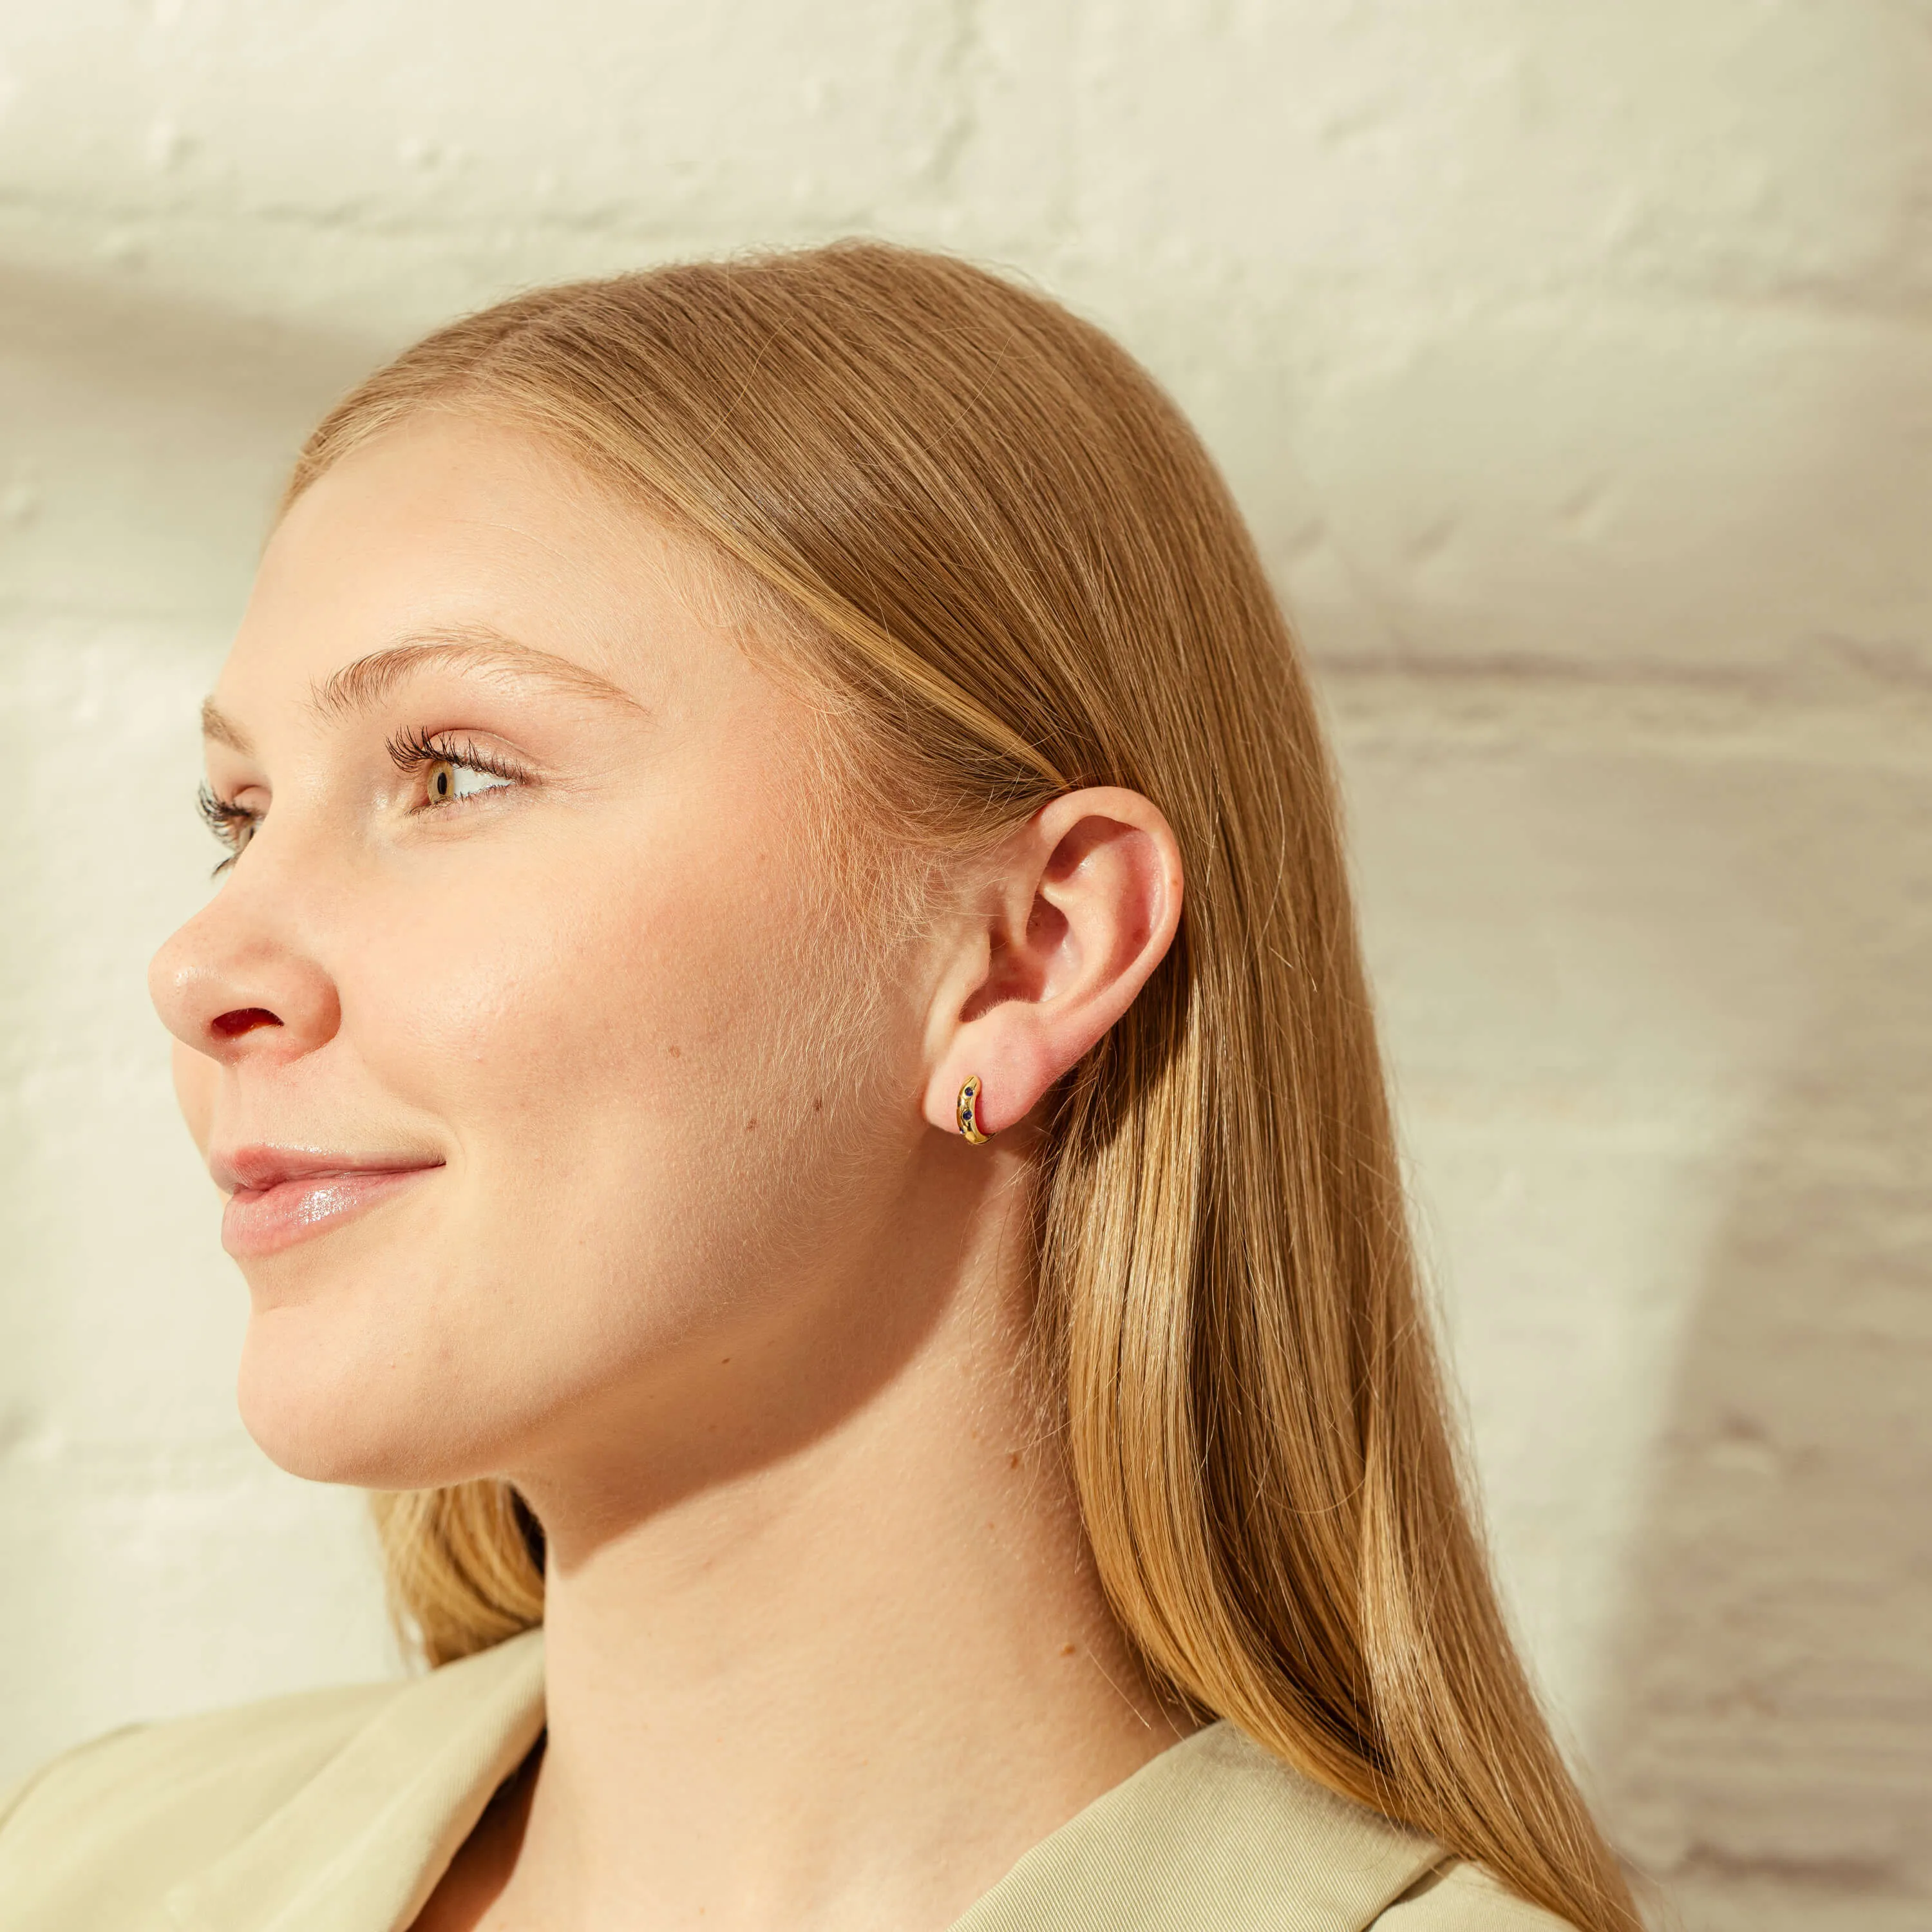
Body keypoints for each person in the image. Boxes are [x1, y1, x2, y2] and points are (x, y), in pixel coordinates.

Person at [0, 242, 1640, 1932]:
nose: (199, 968)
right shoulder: (91, 1869)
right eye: (239, 812)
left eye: (453, 774)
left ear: (1033, 952)